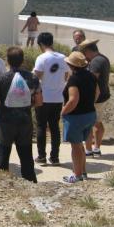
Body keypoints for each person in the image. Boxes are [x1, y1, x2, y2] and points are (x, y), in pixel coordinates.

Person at [0, 47, 42, 182]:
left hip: (6, 122)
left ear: (7, 61)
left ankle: (1, 185)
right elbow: (39, 102)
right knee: (26, 156)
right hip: (25, 122)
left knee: (2, 154)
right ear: (23, 60)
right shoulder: (33, 78)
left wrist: (3, 105)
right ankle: (31, 184)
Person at [60, 51, 98, 183]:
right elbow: (97, 93)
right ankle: (83, 172)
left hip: (76, 117)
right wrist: (88, 104)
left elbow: (73, 100)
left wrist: (63, 112)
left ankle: (76, 175)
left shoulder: (74, 79)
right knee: (81, 145)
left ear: (71, 65)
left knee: (75, 146)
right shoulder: (91, 76)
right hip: (90, 114)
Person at [33, 32, 69, 166]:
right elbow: (66, 76)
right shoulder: (63, 58)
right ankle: (55, 157)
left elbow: (36, 77)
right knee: (54, 127)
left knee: (41, 126)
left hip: (43, 97)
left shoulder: (41, 58)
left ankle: (41, 156)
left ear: (41, 44)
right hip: (58, 98)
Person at [79, 39, 110, 157]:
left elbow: (92, 81)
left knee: (89, 124)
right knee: (97, 122)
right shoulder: (104, 58)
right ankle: (96, 148)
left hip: (95, 98)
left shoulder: (96, 62)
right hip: (102, 96)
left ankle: (89, 150)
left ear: (87, 51)